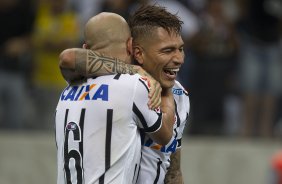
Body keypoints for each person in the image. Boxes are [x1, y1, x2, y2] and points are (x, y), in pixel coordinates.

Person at [60, 4, 190, 183]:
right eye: (167, 50)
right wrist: (151, 82)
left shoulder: (180, 94)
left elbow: (173, 170)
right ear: (134, 50)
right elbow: (69, 58)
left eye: (180, 49)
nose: (179, 59)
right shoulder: (133, 85)